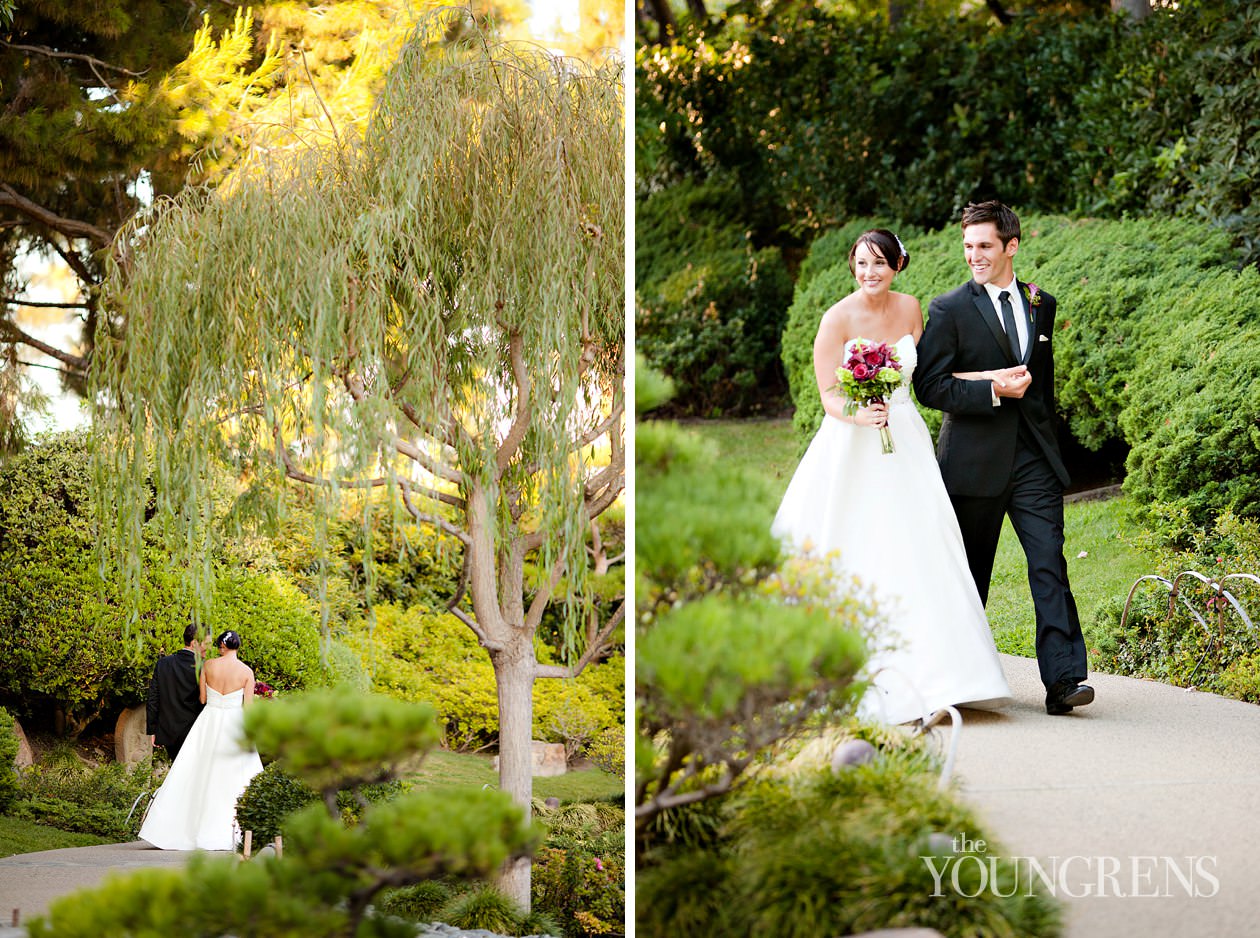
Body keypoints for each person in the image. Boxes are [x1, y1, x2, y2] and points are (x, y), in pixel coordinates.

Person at [772, 229, 1012, 725]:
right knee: (858, 542)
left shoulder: (911, 309)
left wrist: (990, 379)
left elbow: (927, 378)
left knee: (923, 542)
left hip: (905, 440)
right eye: (861, 264)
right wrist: (858, 415)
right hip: (852, 443)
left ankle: (947, 676)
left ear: (897, 265)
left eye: (879, 263)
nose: (869, 273)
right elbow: (826, 395)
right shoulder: (835, 319)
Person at [913, 200, 1092, 716]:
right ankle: (951, 682)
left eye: (984, 245)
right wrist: (993, 392)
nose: (974, 255)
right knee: (970, 575)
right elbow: (930, 386)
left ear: (1011, 246)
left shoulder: (1042, 303)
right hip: (972, 462)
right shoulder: (949, 309)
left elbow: (1044, 386)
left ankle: (1064, 681)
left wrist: (1055, 448)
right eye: (968, 246)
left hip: (1033, 459)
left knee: (1049, 566)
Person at [139, 629, 265, 850]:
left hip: (208, 722)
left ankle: (183, 828)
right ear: (238, 646)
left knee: (195, 774)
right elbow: (249, 709)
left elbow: (203, 698)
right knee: (232, 775)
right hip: (233, 725)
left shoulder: (207, 666)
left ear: (221, 646)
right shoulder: (246, 671)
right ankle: (236, 832)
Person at [145, 624, 204, 762]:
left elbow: (153, 698)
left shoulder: (163, 663)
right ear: (194, 643)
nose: (208, 647)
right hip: (194, 732)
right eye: (205, 643)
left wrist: (153, 730)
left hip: (168, 731)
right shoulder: (203, 667)